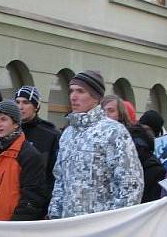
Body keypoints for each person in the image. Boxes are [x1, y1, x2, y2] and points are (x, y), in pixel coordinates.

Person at [48, 71, 143, 219]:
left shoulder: (113, 132)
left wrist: (113, 227)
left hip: (100, 229)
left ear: (96, 97)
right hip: (68, 228)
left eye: (80, 91)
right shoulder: (67, 134)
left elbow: (130, 185)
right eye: (71, 91)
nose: (73, 96)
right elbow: (60, 181)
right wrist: (54, 217)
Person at [15, 86, 60, 206]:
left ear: (36, 106)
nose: (20, 107)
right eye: (17, 102)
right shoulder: (9, 131)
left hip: (37, 201)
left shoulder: (50, 134)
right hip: (11, 196)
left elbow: (54, 173)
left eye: (26, 102)